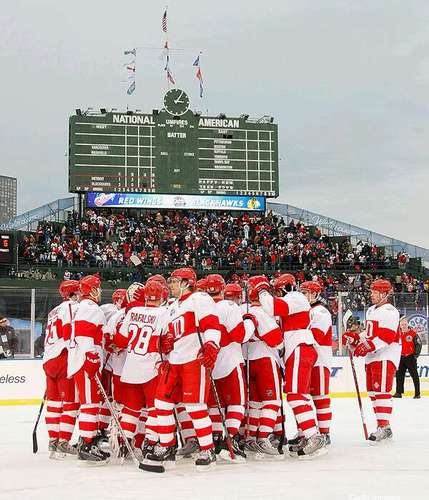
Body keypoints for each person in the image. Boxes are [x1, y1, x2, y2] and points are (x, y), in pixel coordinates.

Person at [146, 267, 221, 470]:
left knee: (195, 407)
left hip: (193, 360)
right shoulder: (172, 306)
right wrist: (166, 342)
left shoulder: (200, 299)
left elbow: (212, 325)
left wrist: (212, 345)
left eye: (174, 281)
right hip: (174, 361)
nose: (170, 285)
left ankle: (207, 449)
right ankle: (167, 445)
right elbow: (168, 334)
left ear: (187, 282)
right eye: (169, 281)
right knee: (161, 403)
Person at [253, 273, 326, 458]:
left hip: (299, 347)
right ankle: (309, 434)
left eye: (278, 289)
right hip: (298, 348)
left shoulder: (296, 297)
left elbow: (271, 307)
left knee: (295, 395)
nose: (276, 293)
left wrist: (261, 290)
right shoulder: (296, 299)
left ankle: (313, 435)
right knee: (297, 394)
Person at [343, 279, 401, 443]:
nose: (372, 295)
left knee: (381, 391)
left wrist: (367, 346)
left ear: (384, 294)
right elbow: (369, 334)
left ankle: (384, 427)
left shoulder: (390, 311)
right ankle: (383, 426)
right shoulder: (371, 310)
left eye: (375, 292)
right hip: (373, 356)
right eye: (372, 292)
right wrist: (356, 339)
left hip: (385, 356)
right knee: (373, 393)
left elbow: (387, 336)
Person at [68, 274, 109, 463]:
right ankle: (86, 444)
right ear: (92, 290)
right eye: (98, 287)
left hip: (82, 361)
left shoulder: (81, 307)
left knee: (91, 403)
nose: (100, 291)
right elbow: (85, 335)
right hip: (86, 363)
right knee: (90, 404)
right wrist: (91, 357)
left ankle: (87, 440)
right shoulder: (90, 307)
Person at [300, 281, 333, 446]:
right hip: (306, 360)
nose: (303, 296)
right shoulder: (307, 311)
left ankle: (325, 433)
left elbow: (316, 336)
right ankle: (305, 432)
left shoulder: (321, 312)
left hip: (319, 360)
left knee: (320, 397)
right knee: (303, 397)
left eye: (306, 293)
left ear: (314, 294)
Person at [393, 316, 422, 399]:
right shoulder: (397, 333)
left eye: (405, 324)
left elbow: (418, 345)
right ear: (400, 325)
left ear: (407, 324)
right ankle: (398, 392)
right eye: (402, 324)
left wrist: (415, 355)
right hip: (401, 357)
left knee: (414, 376)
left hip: (410, 357)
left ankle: (417, 393)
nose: (403, 326)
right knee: (399, 375)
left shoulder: (413, 333)